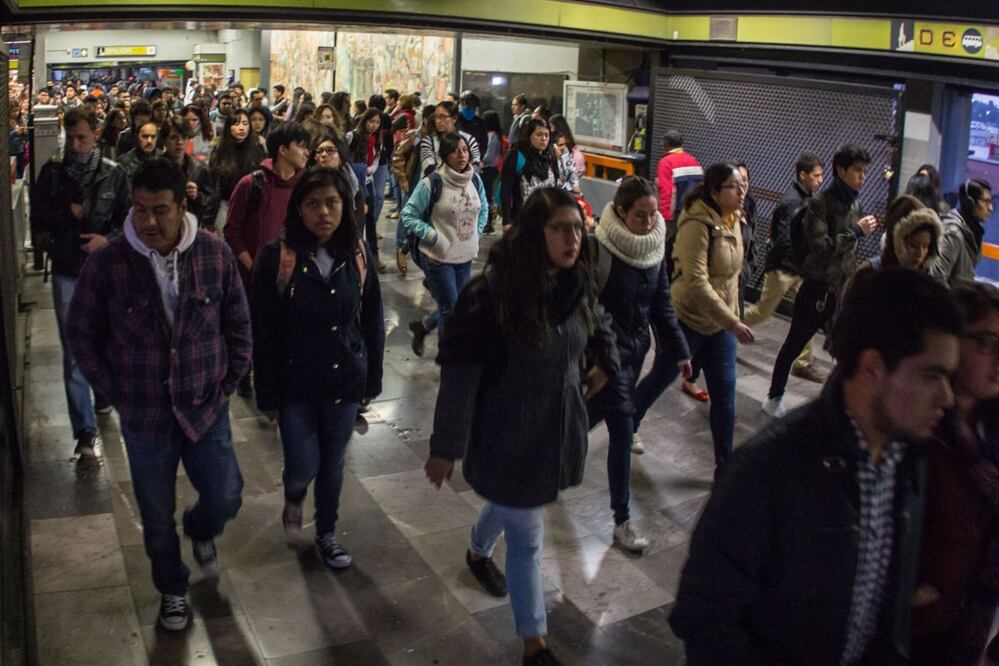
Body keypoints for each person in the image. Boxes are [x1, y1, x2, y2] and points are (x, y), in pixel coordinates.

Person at [669, 267, 962, 665]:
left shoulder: (908, 461)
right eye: (932, 376)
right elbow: (706, 617)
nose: (947, 398)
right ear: (873, 368)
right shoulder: (767, 471)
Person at [425, 187, 620, 666]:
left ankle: (477, 550)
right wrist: (445, 446)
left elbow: (599, 322)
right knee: (528, 536)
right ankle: (536, 644)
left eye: (578, 229)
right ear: (536, 233)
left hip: (555, 428)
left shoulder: (576, 282)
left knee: (517, 501)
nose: (573, 239)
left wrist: (605, 362)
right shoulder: (493, 296)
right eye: (560, 229)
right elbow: (460, 372)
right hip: (507, 431)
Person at [67, 157, 251, 632]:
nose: (148, 221)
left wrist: (229, 381)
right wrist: (114, 390)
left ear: (182, 206)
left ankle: (201, 527)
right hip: (145, 414)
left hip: (206, 404)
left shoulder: (213, 253)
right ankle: (171, 587)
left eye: (160, 210)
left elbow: (238, 320)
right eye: (140, 209)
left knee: (226, 494)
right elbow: (81, 333)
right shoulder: (108, 264)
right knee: (154, 514)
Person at [251, 166, 385, 570]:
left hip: (344, 379)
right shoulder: (277, 257)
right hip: (296, 383)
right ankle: (294, 495)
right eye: (313, 204)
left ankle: (327, 532)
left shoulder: (356, 253)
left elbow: (372, 318)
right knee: (303, 465)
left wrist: (372, 379)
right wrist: (267, 394)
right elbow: (263, 330)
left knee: (333, 463)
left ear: (345, 205)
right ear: (299, 209)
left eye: (332, 203)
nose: (323, 213)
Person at [587, 177, 691, 548]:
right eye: (639, 216)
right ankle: (622, 520)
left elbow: (661, 304)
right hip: (604, 354)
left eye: (653, 214)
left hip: (634, 353)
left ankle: (549, 448)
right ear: (620, 212)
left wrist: (680, 350)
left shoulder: (654, 248)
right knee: (621, 423)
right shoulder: (598, 248)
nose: (648, 223)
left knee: (590, 417)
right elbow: (587, 305)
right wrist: (606, 353)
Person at [630, 163, 754, 472]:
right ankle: (627, 425)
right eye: (734, 186)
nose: (741, 192)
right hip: (687, 319)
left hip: (720, 325)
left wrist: (732, 315)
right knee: (661, 377)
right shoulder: (696, 223)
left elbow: (733, 277)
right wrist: (733, 322)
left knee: (725, 398)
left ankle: (724, 469)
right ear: (715, 192)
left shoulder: (736, 219)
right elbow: (696, 282)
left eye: (743, 185)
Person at [31, 105, 130, 456]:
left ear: (96, 134)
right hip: (68, 269)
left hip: (105, 272)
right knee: (74, 350)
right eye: (70, 138)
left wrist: (108, 241)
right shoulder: (52, 174)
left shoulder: (113, 174)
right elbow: (38, 221)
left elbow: (129, 221)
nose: (75, 146)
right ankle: (84, 430)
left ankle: (102, 392)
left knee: (107, 340)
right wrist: (63, 227)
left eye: (82, 138)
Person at [911, 281, 999, 664]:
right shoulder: (918, 428)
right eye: (985, 342)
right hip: (912, 631)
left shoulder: (990, 434)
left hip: (964, 624)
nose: (998, 358)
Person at [763, 144, 879, 418]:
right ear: (841, 170)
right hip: (817, 288)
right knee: (794, 344)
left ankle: (841, 405)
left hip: (841, 289)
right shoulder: (819, 203)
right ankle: (774, 397)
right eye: (857, 171)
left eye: (864, 171)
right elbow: (821, 247)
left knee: (846, 349)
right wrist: (856, 232)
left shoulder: (855, 204)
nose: (862, 177)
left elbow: (847, 253)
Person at [402, 132, 488, 356]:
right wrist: (433, 237)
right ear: (444, 155)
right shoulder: (432, 182)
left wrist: (477, 233)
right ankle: (449, 359)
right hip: (438, 257)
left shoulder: (474, 180)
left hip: (465, 255)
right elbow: (408, 214)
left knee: (459, 307)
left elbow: (484, 207)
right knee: (450, 310)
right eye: (455, 151)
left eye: (465, 150)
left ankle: (424, 326)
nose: (462, 155)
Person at [742, 152, 826, 383]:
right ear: (803, 175)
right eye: (816, 176)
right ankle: (728, 324)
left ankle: (802, 362)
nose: (820, 180)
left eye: (821, 175)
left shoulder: (808, 197)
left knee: (808, 314)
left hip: (798, 269)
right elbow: (785, 238)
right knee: (762, 311)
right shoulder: (792, 202)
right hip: (784, 268)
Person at [224, 120, 310, 288]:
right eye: (301, 146)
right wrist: (254, 268)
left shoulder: (306, 186)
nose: (307, 153)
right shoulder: (251, 184)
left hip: (295, 279)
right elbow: (231, 231)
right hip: (252, 281)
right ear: (282, 150)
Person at [208, 108, 266, 234]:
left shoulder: (258, 149)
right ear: (228, 127)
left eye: (245, 124)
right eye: (236, 123)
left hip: (250, 206)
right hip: (226, 204)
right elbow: (213, 183)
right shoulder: (219, 150)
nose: (241, 128)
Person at [930, 178, 993, 286]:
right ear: (970, 203)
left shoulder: (972, 232)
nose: (990, 208)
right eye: (986, 202)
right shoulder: (953, 233)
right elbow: (936, 278)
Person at [499, 117, 559, 229]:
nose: (543, 139)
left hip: (547, 221)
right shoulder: (516, 156)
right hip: (522, 220)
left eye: (547, 135)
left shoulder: (550, 158)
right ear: (529, 136)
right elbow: (505, 190)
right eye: (539, 135)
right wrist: (506, 221)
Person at [347, 109, 386, 272]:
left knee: (369, 220)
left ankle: (373, 257)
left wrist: (368, 170)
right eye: (371, 121)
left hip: (367, 183)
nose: (374, 125)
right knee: (354, 219)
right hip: (352, 183)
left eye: (377, 122)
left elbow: (376, 161)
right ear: (365, 121)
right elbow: (344, 157)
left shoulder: (377, 141)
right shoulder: (352, 136)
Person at [161, 116, 214, 230]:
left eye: (184, 137)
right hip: (162, 225)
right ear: (164, 141)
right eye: (173, 138)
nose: (179, 142)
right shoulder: (155, 168)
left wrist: (197, 196)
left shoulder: (199, 168)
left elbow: (210, 202)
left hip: (191, 227)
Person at [311, 132, 365, 234]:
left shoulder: (352, 185)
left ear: (341, 157)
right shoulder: (308, 184)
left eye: (330, 150)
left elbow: (358, 221)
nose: (324, 155)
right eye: (319, 151)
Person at [418, 101, 481, 178]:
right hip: (435, 184)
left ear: (454, 118)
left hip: (463, 183)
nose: (438, 121)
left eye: (443, 117)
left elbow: (475, 165)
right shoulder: (428, 141)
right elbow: (428, 167)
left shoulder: (468, 139)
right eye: (436, 117)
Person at [655, 130, 703, 225]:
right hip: (694, 211)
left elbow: (666, 191)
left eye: (662, 142)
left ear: (667, 143)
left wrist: (664, 218)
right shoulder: (693, 160)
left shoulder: (665, 162)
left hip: (676, 215)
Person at [481, 109, 504, 234]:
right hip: (489, 168)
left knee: (487, 196)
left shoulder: (493, 136)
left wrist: (479, 161)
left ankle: (488, 222)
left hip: (489, 169)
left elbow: (489, 156)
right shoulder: (493, 135)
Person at [456, 91, 487, 166]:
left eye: (473, 108)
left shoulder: (480, 122)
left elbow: (483, 143)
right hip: (456, 158)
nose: (470, 109)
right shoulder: (455, 120)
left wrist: (479, 159)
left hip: (473, 160)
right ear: (461, 105)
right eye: (467, 107)